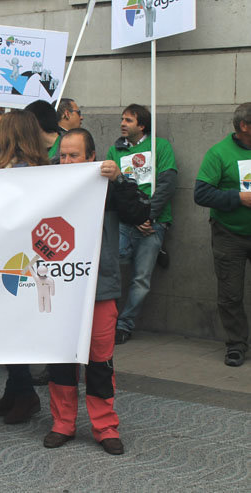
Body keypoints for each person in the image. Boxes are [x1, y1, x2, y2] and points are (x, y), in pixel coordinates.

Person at [45, 128, 151, 456]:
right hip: (60, 290)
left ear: (91, 157)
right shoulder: (47, 185)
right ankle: (62, 423)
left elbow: (139, 214)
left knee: (100, 362)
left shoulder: (109, 186)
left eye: (74, 155)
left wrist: (118, 180)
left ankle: (105, 426)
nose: (67, 160)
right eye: (63, 155)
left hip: (100, 291)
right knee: (61, 360)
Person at [0, 110, 50, 424]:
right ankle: (14, 390)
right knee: (8, 329)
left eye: (1, 130)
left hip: (18, 262)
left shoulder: (23, 171)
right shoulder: (24, 168)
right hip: (12, 258)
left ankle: (25, 395)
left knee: (12, 329)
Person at [107, 104, 177, 344]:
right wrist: (134, 218)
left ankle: (124, 325)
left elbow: (167, 184)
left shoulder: (160, 146)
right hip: (126, 222)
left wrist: (148, 217)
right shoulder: (115, 150)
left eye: (128, 120)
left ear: (142, 125)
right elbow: (112, 188)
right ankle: (107, 320)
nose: (122, 124)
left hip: (153, 222)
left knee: (141, 280)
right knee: (115, 268)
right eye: (122, 119)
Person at [194, 102, 251, 367]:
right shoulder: (219, 154)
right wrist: (238, 197)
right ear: (244, 126)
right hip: (230, 234)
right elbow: (201, 193)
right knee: (231, 293)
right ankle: (236, 344)